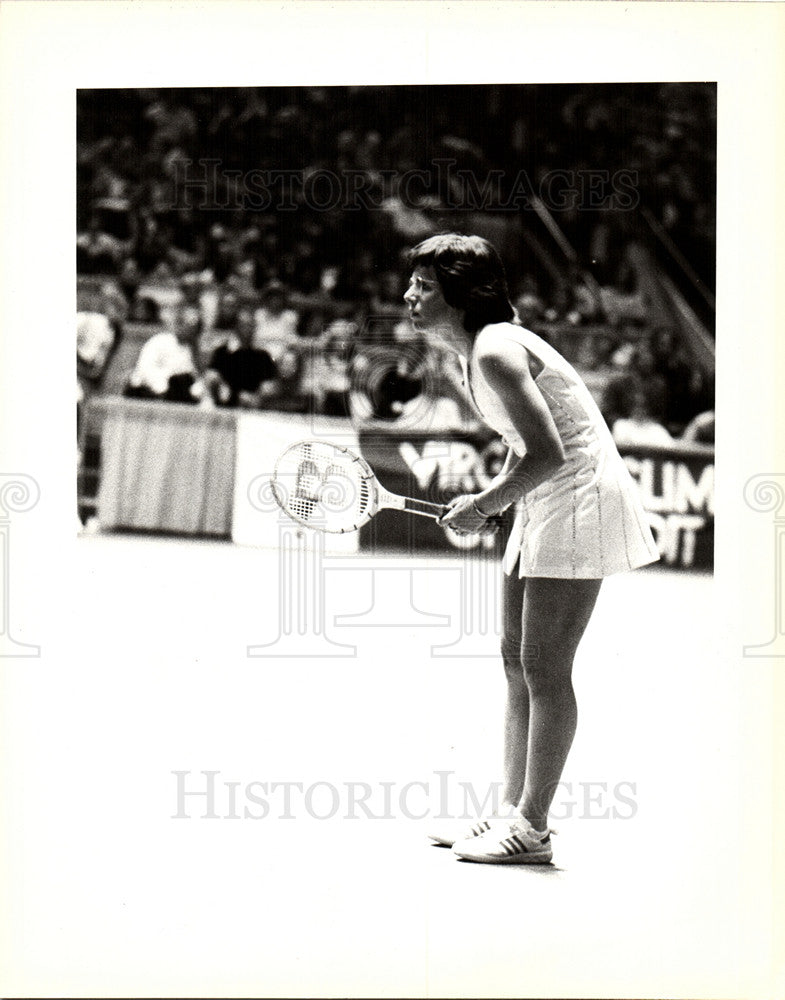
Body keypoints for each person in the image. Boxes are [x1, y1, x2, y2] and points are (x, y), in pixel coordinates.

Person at [403, 234, 659, 865]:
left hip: (580, 499)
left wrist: (487, 503)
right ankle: (509, 812)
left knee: (545, 668)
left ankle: (534, 828)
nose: (408, 295)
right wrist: (494, 497)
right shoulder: (476, 352)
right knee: (515, 660)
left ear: (461, 295)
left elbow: (551, 452)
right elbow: (528, 446)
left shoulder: (494, 350)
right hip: (546, 498)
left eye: (424, 287)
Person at [203, 305, 278, 408]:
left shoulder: (263, 356)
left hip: (254, 407)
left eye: (250, 325)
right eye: (243, 325)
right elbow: (211, 376)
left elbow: (269, 385)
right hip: (225, 404)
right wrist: (221, 385)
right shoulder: (222, 352)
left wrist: (255, 398)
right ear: (236, 327)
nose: (247, 329)